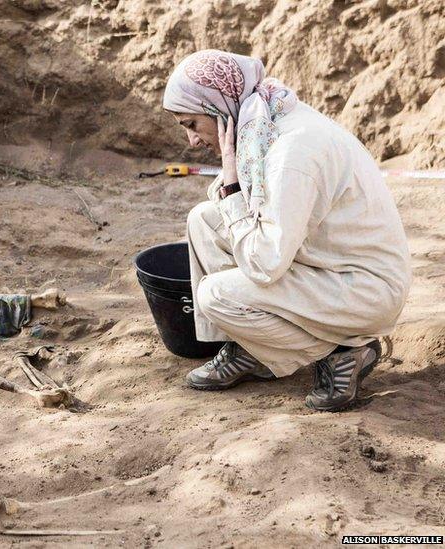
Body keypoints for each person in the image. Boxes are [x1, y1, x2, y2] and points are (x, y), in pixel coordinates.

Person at [162, 49, 411, 411]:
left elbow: (265, 262)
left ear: (218, 109)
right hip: (325, 265)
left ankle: (345, 352)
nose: (193, 141)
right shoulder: (262, 120)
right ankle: (250, 349)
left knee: (216, 295)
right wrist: (229, 187)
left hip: (363, 287)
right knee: (204, 220)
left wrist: (232, 187)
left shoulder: (292, 151)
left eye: (190, 124)